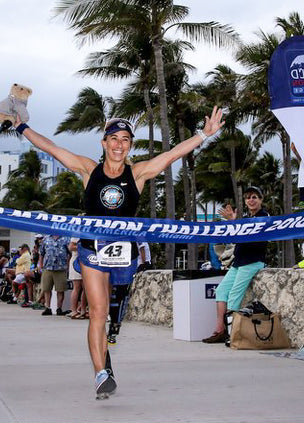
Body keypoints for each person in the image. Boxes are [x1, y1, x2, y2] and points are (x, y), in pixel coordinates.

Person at [16, 108, 223, 399]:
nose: (119, 144)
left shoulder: (137, 173)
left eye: (125, 139)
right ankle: (101, 373)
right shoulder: (89, 170)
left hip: (125, 255)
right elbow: (50, 147)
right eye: (113, 138)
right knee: (97, 313)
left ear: (130, 145)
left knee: (115, 314)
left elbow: (172, 155)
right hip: (92, 251)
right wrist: (20, 126)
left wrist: (204, 134)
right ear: (104, 143)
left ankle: (109, 343)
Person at [201, 185, 270, 344]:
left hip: (252, 262)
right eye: (248, 197)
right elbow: (235, 238)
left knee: (233, 297)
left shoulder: (264, 216)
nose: (251, 200)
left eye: (254, 197)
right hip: (239, 261)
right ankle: (220, 330)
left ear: (261, 200)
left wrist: (234, 222)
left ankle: (234, 335)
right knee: (221, 291)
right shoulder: (245, 217)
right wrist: (234, 223)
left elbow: (252, 236)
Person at [39, 233, 70, 316]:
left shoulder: (66, 238)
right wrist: (40, 266)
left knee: (60, 289)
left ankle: (59, 308)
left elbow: (69, 253)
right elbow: (41, 253)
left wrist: (67, 265)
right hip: (48, 267)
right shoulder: (46, 238)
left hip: (61, 268)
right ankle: (48, 308)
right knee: (46, 289)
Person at [66, 237, 87, 319]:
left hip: (87, 261)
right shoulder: (76, 235)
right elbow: (70, 247)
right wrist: (83, 248)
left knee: (86, 288)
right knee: (77, 287)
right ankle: (73, 311)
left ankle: (83, 310)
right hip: (76, 261)